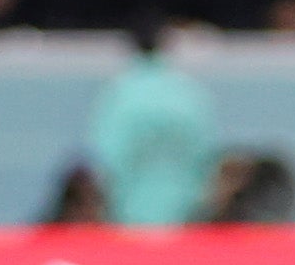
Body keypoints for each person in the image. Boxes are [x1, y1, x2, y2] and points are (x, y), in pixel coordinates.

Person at [87, 17, 220, 227]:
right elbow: (205, 154)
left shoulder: (119, 93)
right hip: (182, 212)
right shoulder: (188, 92)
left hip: (129, 211)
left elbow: (106, 156)